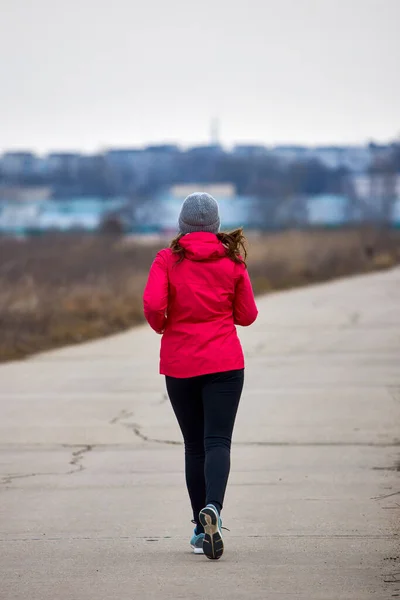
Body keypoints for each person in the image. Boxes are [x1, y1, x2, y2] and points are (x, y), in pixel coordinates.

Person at [143, 192, 258, 560]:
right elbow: (248, 314)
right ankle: (214, 509)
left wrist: (163, 326)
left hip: (180, 365)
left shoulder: (166, 259)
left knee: (194, 446)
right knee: (217, 442)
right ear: (215, 226)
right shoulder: (232, 260)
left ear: (182, 225)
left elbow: (152, 304)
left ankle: (199, 527)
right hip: (225, 364)